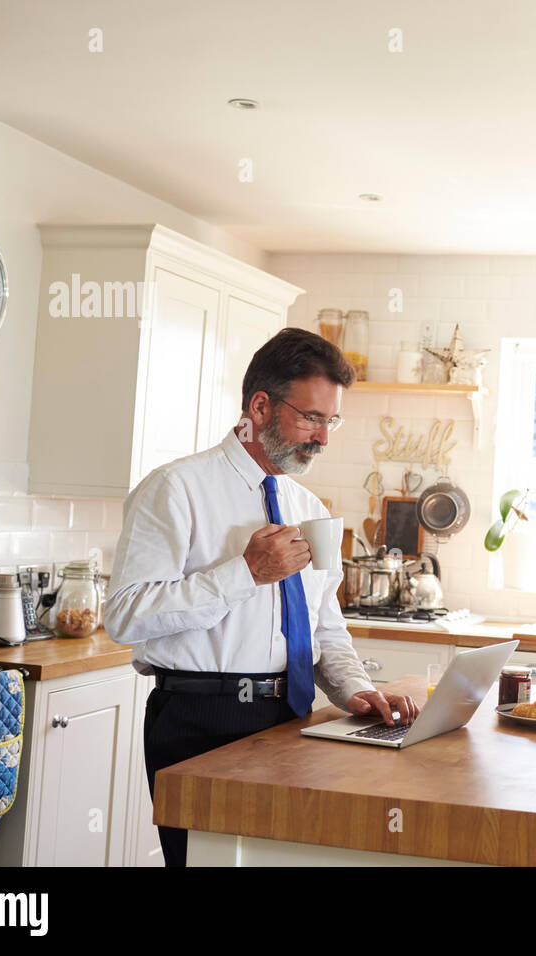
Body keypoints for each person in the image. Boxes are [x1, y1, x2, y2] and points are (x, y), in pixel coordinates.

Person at [104, 328, 418, 867]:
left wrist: (356, 691)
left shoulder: (308, 505)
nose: (323, 438)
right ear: (260, 406)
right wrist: (245, 572)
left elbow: (324, 627)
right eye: (312, 418)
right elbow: (126, 615)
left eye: (331, 421)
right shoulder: (175, 488)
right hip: (201, 719)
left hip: (291, 716)